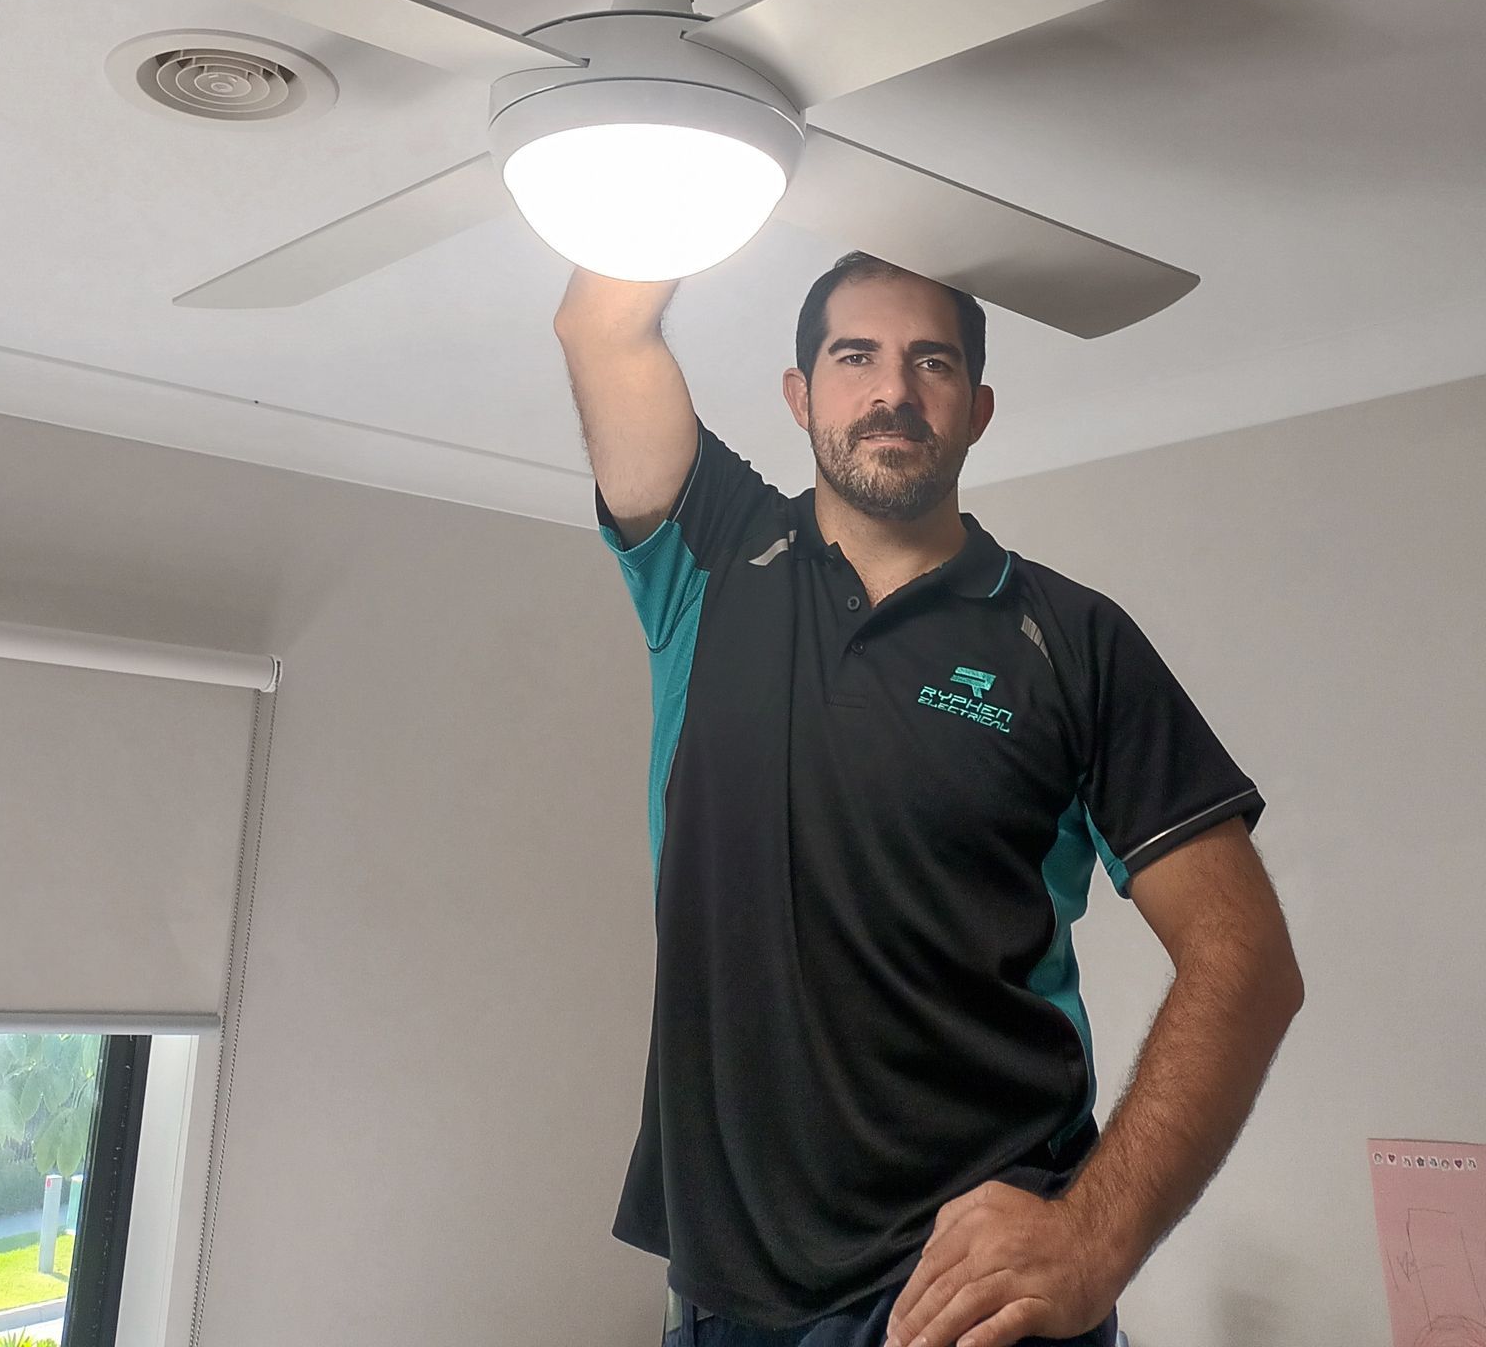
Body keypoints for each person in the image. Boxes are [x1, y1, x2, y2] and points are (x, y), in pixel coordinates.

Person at [555, 249, 1305, 1347]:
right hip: (723, 1294)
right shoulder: (711, 555)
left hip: (965, 1297)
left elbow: (1246, 958)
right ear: (801, 394)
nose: (892, 390)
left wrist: (1096, 1238)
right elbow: (601, 327)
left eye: (932, 362)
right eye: (853, 356)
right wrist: (699, 130)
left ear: (978, 408)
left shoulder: (1072, 640)